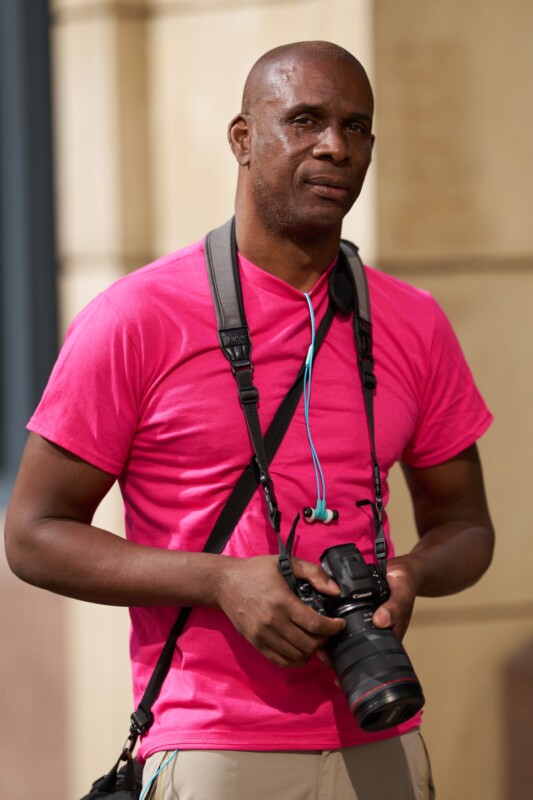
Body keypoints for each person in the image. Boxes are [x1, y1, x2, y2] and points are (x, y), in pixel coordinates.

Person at [5, 41, 494, 800]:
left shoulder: (415, 322)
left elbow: (466, 524)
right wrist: (221, 581)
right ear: (242, 138)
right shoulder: (136, 318)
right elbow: (33, 534)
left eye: (355, 127)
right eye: (304, 120)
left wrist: (408, 576)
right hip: (213, 747)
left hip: (384, 733)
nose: (334, 146)